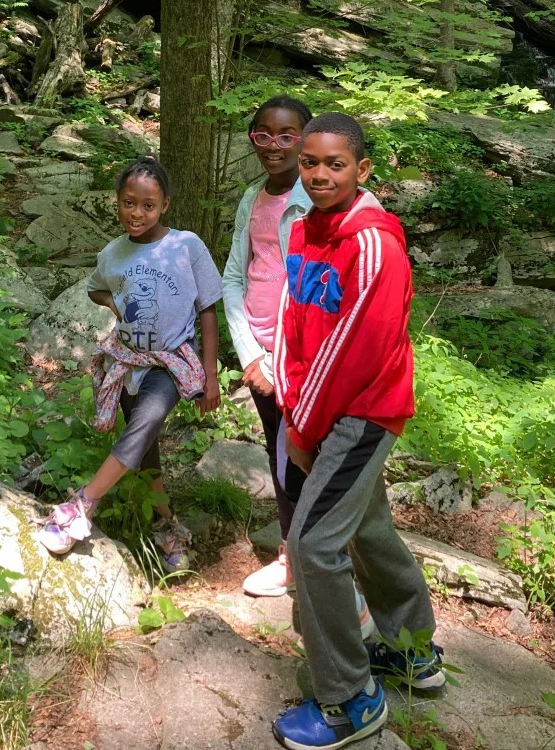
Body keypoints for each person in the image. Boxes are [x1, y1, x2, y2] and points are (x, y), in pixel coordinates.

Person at [271, 112, 445, 750]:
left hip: (364, 412)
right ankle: (409, 650)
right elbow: (294, 319)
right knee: (365, 527)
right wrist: (293, 404)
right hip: (318, 408)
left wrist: (303, 427)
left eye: (334, 164)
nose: (318, 174)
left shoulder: (373, 244)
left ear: (362, 169)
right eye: (309, 162)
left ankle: (350, 700)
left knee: (315, 544)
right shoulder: (301, 229)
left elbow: (355, 352)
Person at [222, 96, 373, 637]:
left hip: (307, 365)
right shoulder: (251, 199)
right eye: (263, 134)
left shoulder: (329, 207)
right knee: (281, 455)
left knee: (316, 463)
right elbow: (235, 277)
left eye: (289, 135)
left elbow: (312, 296)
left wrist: (283, 364)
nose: (275, 146)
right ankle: (293, 559)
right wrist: (252, 355)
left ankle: (340, 578)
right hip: (261, 358)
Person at [38, 156, 222, 572]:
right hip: (126, 360)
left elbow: (208, 308)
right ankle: (166, 524)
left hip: (171, 363)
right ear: (117, 202)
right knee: (145, 446)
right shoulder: (112, 253)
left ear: (165, 206)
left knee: (145, 423)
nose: (137, 213)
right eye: (128, 203)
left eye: (148, 205)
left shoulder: (186, 246)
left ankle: (83, 505)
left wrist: (210, 374)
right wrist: (116, 305)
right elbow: (95, 289)